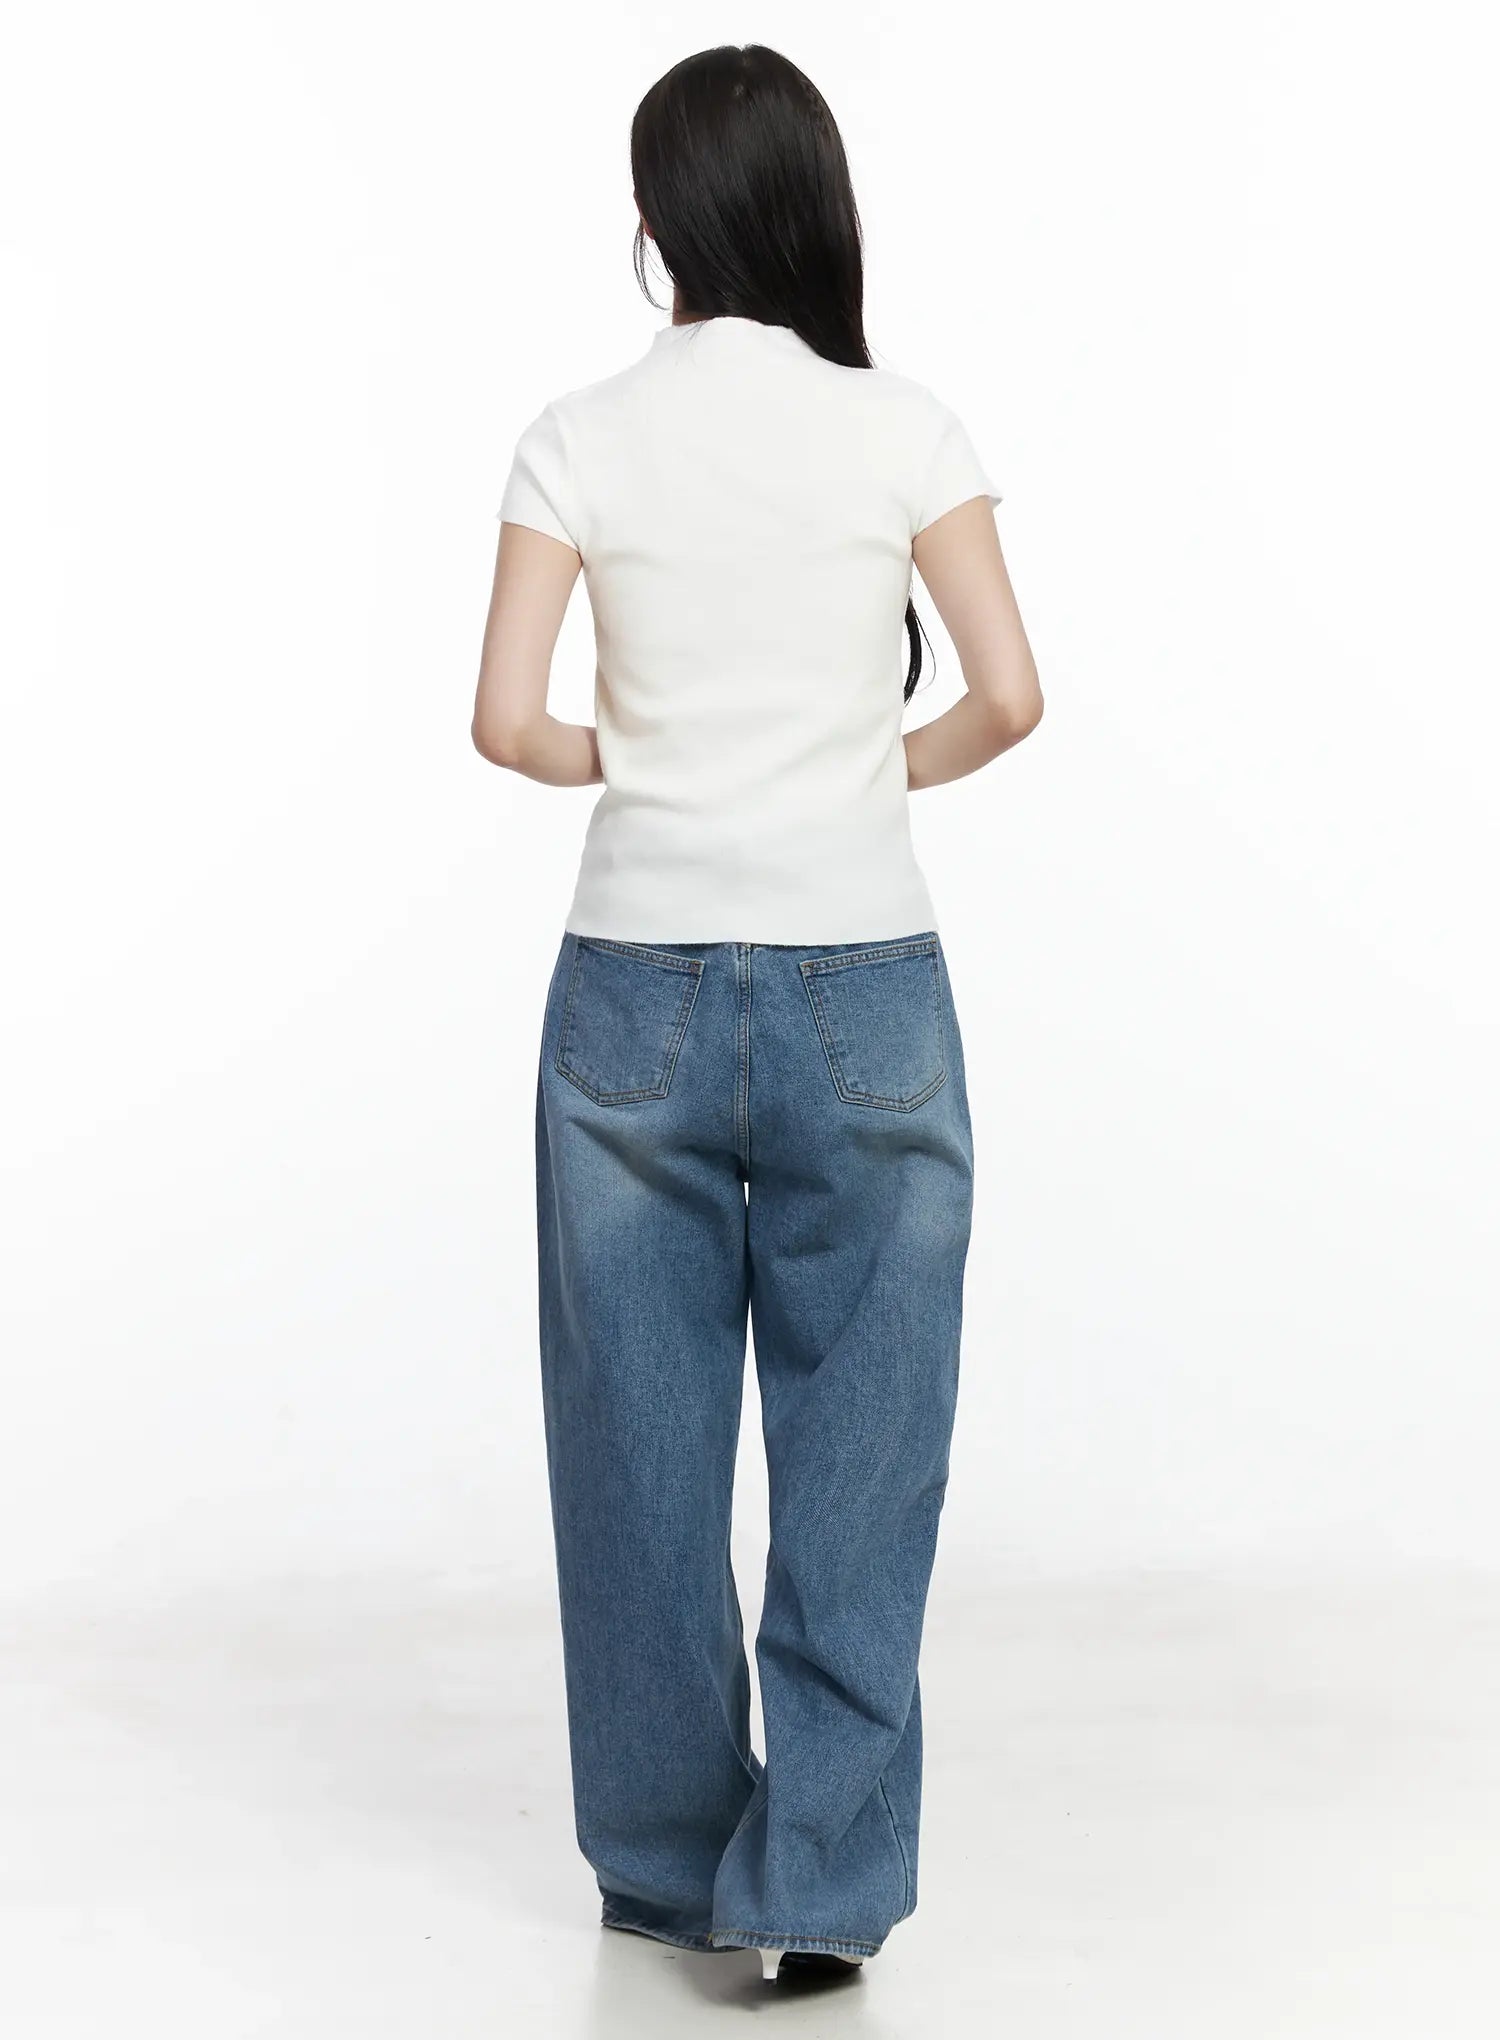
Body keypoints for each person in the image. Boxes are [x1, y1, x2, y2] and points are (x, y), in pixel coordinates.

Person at [471, 43, 1043, 1989]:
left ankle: (660, 1865)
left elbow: (506, 724)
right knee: (864, 1449)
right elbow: (1011, 695)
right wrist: (865, 771)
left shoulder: (574, 436)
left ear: (653, 225)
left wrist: (635, 756)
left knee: (631, 1446)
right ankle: (817, 1886)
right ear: (814, 203)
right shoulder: (905, 429)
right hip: (863, 981)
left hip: (629, 984)